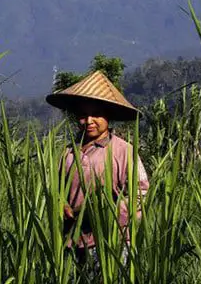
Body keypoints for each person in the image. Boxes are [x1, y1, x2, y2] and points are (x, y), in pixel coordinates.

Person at [45, 70, 150, 273]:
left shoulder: (123, 151)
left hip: (111, 242)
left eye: (96, 114)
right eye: (83, 115)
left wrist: (104, 211)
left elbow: (140, 195)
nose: (89, 120)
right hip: (71, 241)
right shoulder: (68, 152)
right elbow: (54, 188)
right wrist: (60, 203)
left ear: (108, 116)